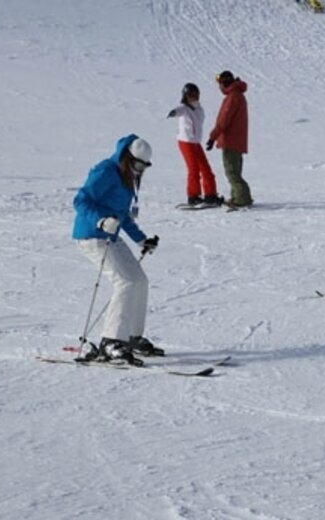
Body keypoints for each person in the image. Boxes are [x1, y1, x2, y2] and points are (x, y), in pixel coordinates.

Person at [72, 134, 163, 366]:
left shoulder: (127, 177)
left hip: (111, 237)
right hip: (92, 235)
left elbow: (123, 215)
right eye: (137, 164)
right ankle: (111, 340)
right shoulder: (106, 171)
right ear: (127, 157)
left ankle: (132, 337)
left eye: (144, 166)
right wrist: (100, 221)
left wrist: (142, 240)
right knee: (125, 282)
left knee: (139, 281)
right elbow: (80, 201)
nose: (140, 170)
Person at [167, 83, 221, 207]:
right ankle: (193, 196)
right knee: (194, 169)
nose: (194, 97)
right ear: (185, 96)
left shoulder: (199, 109)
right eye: (191, 95)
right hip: (186, 142)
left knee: (206, 168)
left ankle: (210, 195)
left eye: (196, 94)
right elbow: (179, 110)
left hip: (196, 143)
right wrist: (173, 112)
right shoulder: (184, 108)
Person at [207, 70, 253, 208]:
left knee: (232, 172)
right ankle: (237, 196)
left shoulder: (233, 97)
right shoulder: (237, 95)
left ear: (225, 83)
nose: (219, 87)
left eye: (220, 83)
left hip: (231, 141)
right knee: (234, 171)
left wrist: (212, 137)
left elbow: (223, 120)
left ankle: (242, 199)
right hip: (237, 140)